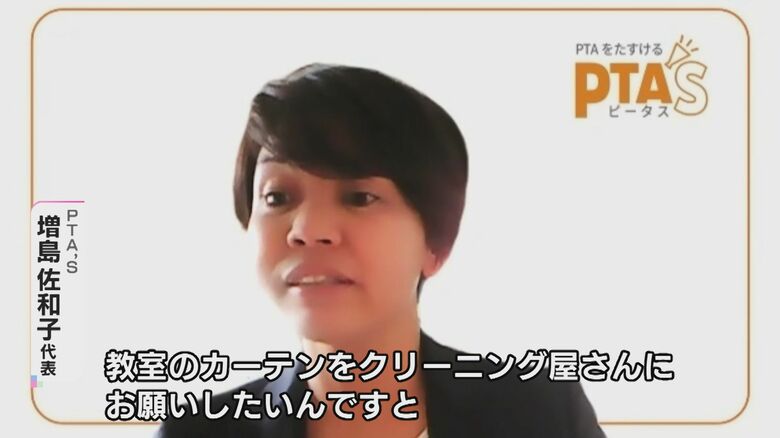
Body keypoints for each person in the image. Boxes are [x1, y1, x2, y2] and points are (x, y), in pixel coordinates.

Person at [157, 63, 606, 438]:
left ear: (435, 245)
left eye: (358, 197)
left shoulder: (541, 417)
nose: (307, 230)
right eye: (277, 197)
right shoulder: (198, 433)